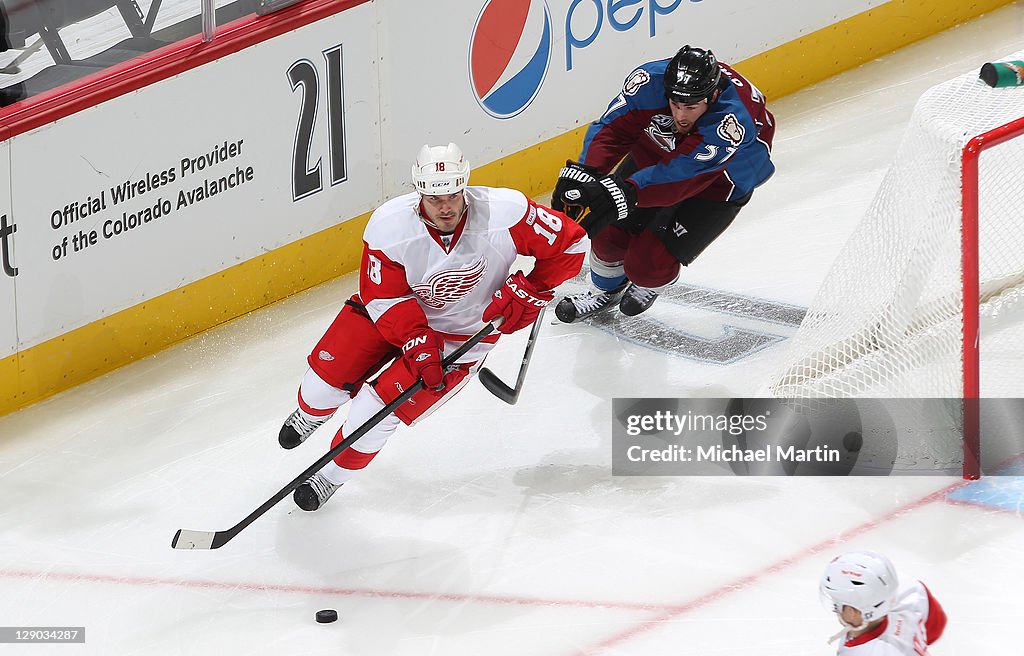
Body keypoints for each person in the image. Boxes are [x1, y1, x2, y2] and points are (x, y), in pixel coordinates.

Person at [278, 143, 588, 511]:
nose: (446, 207)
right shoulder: (389, 226)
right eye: (435, 197)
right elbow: (382, 296)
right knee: (319, 389)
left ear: (465, 187)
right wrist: (414, 336)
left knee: (375, 413)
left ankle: (328, 478)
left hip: (460, 338)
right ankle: (312, 414)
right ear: (419, 193)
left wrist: (535, 288)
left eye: (454, 195)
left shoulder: (505, 212)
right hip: (388, 314)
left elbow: (571, 245)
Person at [551, 45, 776, 322]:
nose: (681, 115)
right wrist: (585, 172)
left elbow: (683, 173)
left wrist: (626, 192)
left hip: (720, 182)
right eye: (675, 104)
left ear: (713, 96)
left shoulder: (730, 121)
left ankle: (649, 280)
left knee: (649, 265)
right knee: (606, 228)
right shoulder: (650, 82)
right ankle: (604, 291)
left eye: (691, 107)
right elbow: (613, 128)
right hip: (657, 154)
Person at [820, 550, 948, 655]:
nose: (834, 609)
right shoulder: (909, 593)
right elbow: (936, 625)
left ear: (851, 613)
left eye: (836, 603)